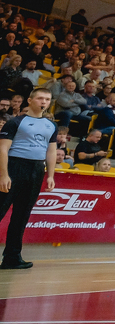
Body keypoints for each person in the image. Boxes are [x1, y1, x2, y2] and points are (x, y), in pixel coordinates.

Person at [0, 87, 59, 269]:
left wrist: (50, 175)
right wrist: (4, 174)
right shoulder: (16, 122)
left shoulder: (51, 125)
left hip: (36, 169)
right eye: (40, 98)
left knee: (22, 215)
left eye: (47, 99)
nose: (44, 102)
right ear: (30, 100)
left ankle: (12, 257)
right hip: (15, 166)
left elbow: (51, 151)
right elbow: (2, 149)